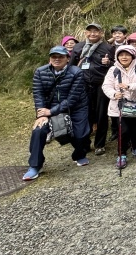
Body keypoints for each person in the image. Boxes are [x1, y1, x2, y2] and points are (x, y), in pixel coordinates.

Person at [23, 46, 90, 180]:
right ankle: (35, 165)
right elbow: (38, 94)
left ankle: (79, 155)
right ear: (50, 58)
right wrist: (42, 114)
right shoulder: (40, 72)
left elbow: (73, 98)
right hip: (50, 109)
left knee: (80, 134)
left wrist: (51, 111)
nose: (57, 59)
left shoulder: (76, 72)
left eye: (60, 57)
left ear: (67, 59)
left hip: (76, 107)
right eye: (54, 56)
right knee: (38, 130)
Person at [102, 45, 136, 169]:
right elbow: (106, 86)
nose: (124, 57)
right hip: (120, 105)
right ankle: (121, 153)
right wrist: (114, 94)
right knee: (123, 130)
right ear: (117, 57)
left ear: (133, 56)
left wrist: (129, 86)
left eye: (127, 54)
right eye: (121, 55)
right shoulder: (113, 70)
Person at [70, 22, 113, 156]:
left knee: (101, 115)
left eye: (96, 31)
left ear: (101, 33)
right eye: (90, 31)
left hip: (101, 84)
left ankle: (100, 144)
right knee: (84, 114)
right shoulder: (78, 47)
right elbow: (71, 66)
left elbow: (115, 66)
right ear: (85, 33)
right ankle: (85, 143)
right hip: (82, 85)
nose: (93, 33)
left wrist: (109, 63)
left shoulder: (108, 47)